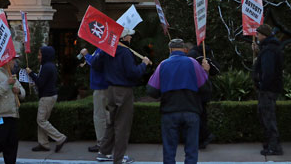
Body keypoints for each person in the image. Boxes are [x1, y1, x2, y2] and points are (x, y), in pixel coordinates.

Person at [91, 28, 152, 164]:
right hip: (123, 90)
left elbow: (95, 65)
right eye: (129, 36)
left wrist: (102, 51)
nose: (130, 38)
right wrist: (144, 64)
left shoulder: (108, 50)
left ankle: (104, 152)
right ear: (124, 38)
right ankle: (118, 158)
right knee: (122, 125)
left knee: (111, 123)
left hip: (111, 90)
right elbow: (132, 73)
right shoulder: (125, 52)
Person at [147, 38, 211, 164]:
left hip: (169, 112)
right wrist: (206, 72)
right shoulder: (193, 63)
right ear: (184, 49)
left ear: (170, 49)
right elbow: (205, 89)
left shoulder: (163, 65)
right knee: (191, 150)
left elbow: (151, 91)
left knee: (169, 150)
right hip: (191, 111)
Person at [26, 46, 68, 152]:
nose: (38, 57)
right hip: (50, 96)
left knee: (41, 120)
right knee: (43, 120)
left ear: (45, 55)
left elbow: (40, 83)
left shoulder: (46, 67)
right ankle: (43, 143)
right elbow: (43, 81)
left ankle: (60, 138)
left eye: (40, 54)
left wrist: (30, 73)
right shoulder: (49, 65)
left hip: (47, 97)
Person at [252, 24, 284, 156]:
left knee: (268, 117)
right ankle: (271, 144)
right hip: (272, 88)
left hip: (268, 89)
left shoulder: (269, 50)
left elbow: (268, 71)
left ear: (263, 35)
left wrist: (261, 84)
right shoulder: (271, 48)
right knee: (267, 116)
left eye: (258, 35)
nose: (257, 37)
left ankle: (273, 146)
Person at [186, 42, 220, 149]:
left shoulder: (190, 58)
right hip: (202, 89)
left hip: (192, 90)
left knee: (197, 115)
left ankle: (200, 138)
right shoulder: (200, 57)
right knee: (201, 114)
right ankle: (203, 136)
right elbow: (216, 70)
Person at [80, 47, 109, 153]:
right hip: (104, 85)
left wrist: (86, 55)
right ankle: (108, 141)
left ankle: (102, 143)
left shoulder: (102, 49)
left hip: (100, 86)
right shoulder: (103, 48)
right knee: (106, 115)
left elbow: (96, 64)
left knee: (99, 116)